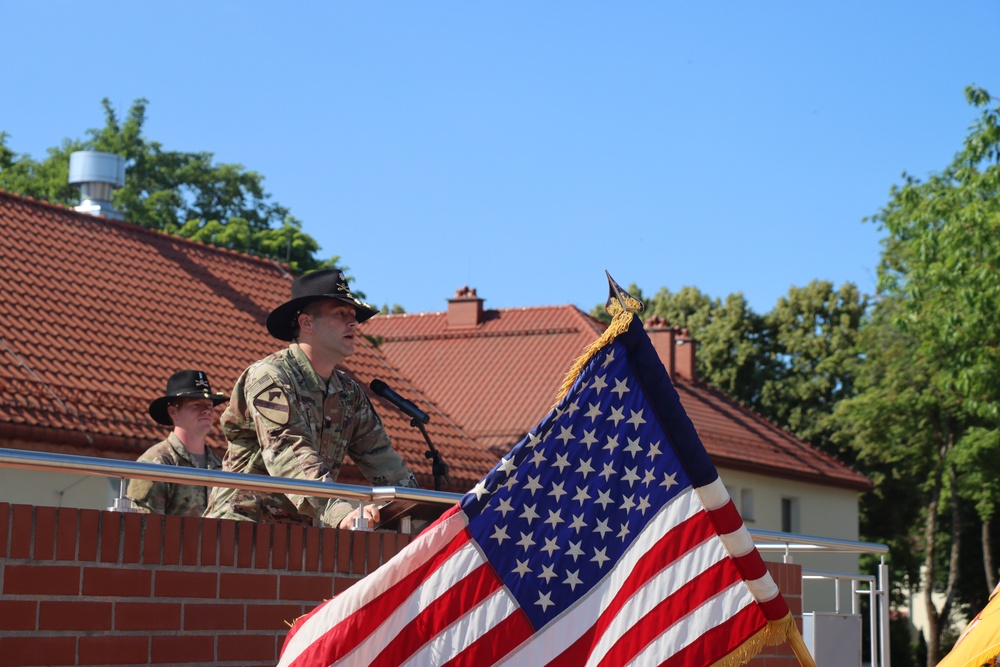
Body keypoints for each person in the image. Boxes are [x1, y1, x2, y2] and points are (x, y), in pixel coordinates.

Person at [203, 269, 418, 528]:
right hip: (240, 527)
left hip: (299, 534)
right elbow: (289, 451)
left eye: (354, 316)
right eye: (340, 314)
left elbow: (383, 460)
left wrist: (417, 509)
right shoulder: (270, 376)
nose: (353, 323)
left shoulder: (349, 394)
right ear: (306, 323)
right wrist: (338, 511)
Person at [126, 370, 227, 516]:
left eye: (209, 405)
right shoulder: (155, 464)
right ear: (173, 412)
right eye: (196, 404)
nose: (206, 411)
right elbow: (145, 528)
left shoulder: (220, 466)